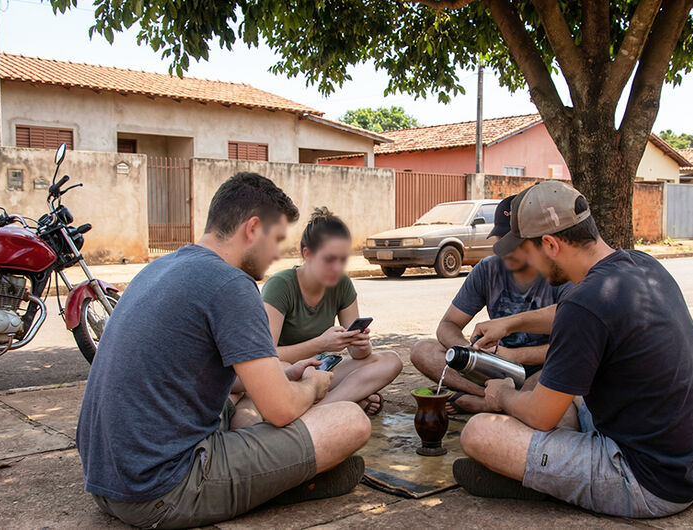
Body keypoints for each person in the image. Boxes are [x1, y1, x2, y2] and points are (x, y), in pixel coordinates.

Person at [77, 173, 372, 529]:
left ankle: (272, 479)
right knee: (349, 421)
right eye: (276, 240)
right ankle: (278, 484)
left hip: (106, 482)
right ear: (252, 229)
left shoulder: (159, 268)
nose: (277, 254)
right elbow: (280, 410)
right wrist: (312, 384)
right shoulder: (231, 284)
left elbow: (208, 375)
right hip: (162, 490)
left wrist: (286, 373)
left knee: (243, 403)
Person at [451, 181, 693, 518]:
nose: (528, 264)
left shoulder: (585, 302)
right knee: (561, 392)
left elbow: (540, 416)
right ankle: (545, 475)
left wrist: (501, 394)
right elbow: (575, 315)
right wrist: (510, 323)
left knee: (480, 433)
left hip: (646, 481)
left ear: (550, 244)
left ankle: (544, 483)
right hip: (692, 467)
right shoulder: (641, 266)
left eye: (528, 252)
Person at [409, 195, 569, 414]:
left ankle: (500, 401)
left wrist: (513, 354)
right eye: (501, 241)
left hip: (539, 370)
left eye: (515, 243)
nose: (505, 251)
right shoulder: (487, 269)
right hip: (494, 368)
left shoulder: (559, 272)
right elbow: (448, 325)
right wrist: (471, 354)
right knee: (423, 351)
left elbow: (571, 339)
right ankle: (489, 397)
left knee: (565, 366)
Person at [259, 207, 402, 417]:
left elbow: (359, 355)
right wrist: (320, 344)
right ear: (307, 254)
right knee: (287, 370)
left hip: (322, 372)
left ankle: (318, 408)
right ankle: (349, 399)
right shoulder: (280, 286)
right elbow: (265, 356)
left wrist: (361, 344)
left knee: (391, 360)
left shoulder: (341, 284)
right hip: (287, 372)